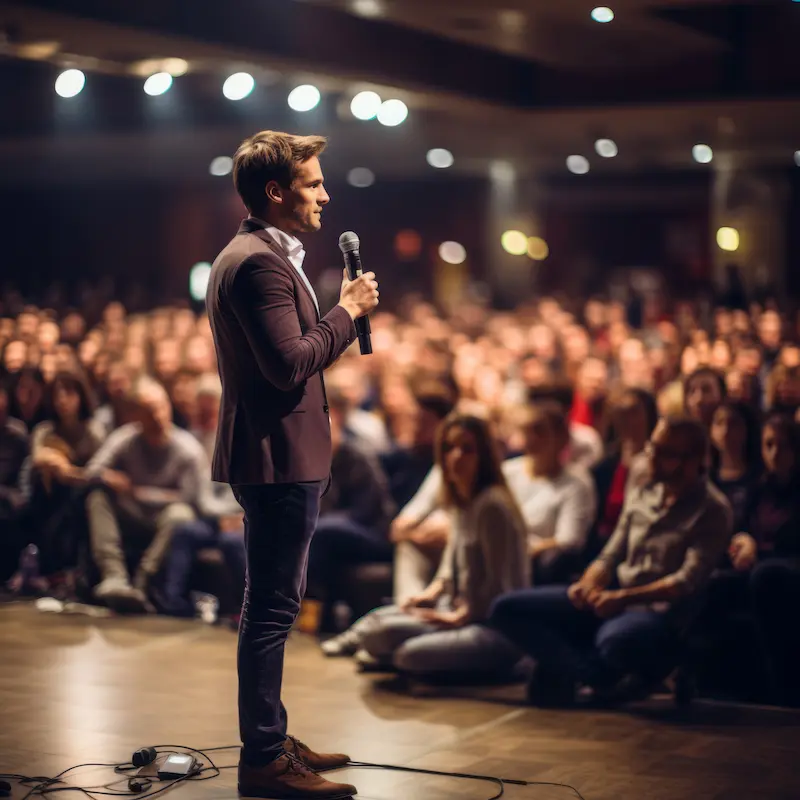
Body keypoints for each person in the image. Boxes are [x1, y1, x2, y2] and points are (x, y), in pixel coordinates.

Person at [206, 130, 378, 799]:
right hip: (276, 458)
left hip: (277, 454)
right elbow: (288, 365)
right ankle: (264, 760)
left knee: (272, 606)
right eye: (312, 183)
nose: (325, 193)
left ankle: (273, 739)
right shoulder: (258, 263)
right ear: (276, 192)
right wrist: (347, 312)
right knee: (272, 611)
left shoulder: (261, 254)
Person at [489, 417, 732, 707]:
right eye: (652, 447)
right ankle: (595, 675)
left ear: (693, 461)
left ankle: (583, 667)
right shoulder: (645, 492)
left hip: (659, 613)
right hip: (613, 598)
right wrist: (589, 582)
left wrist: (622, 598)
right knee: (506, 609)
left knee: (614, 640)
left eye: (664, 452)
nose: (650, 457)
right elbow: (611, 553)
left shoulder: (713, 510)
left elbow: (685, 581)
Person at [340, 414, 527, 677]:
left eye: (467, 449)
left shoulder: (492, 505)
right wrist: (430, 594)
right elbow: (452, 566)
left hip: (491, 624)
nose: (456, 457)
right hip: (455, 610)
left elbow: (500, 586)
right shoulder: (462, 502)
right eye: (449, 448)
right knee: (379, 629)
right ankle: (385, 651)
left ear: (483, 456)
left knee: (408, 654)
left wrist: (459, 617)